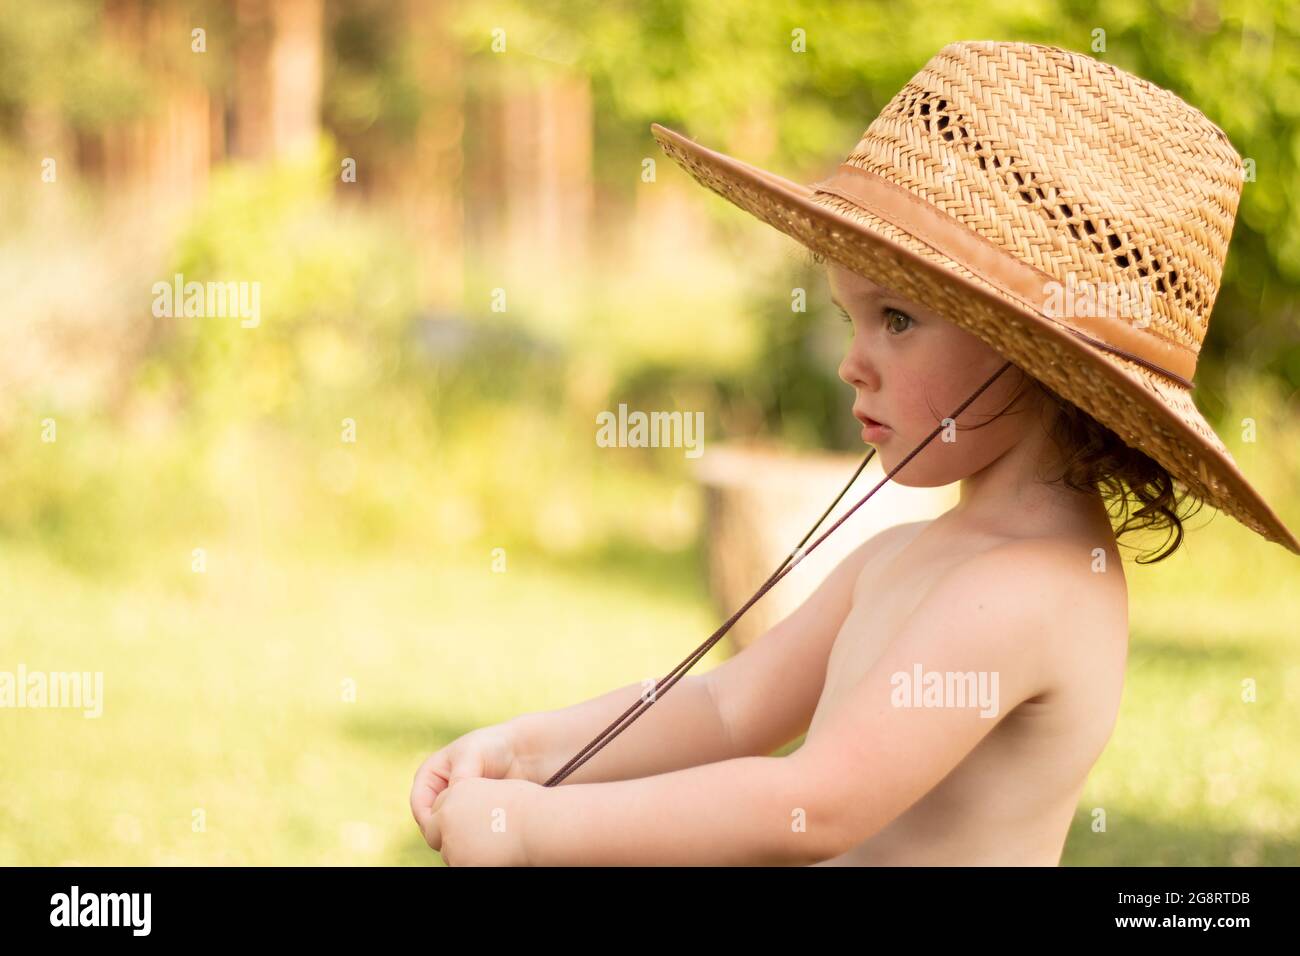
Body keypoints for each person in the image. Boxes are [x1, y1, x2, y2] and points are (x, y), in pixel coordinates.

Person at [410, 40, 1299, 866]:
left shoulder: (1033, 587)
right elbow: (730, 708)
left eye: (898, 320)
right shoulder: (905, 555)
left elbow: (818, 802)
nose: (851, 363)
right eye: (851, 318)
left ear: (1033, 357)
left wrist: (535, 832)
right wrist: (523, 754)